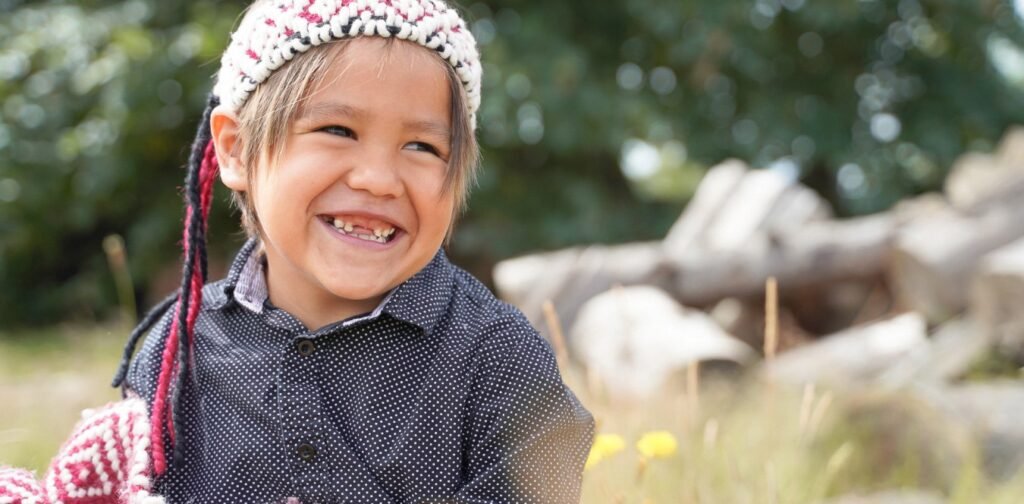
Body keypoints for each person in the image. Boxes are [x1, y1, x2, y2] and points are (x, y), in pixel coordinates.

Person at [0, 1, 593, 502]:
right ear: (234, 151)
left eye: (422, 146)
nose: (379, 179)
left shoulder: (500, 362)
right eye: (338, 131)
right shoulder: (174, 354)